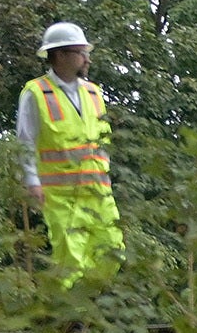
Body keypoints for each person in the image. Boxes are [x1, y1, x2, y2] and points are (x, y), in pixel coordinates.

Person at [15, 22, 122, 283]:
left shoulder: (94, 92)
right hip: (60, 195)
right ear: (60, 55)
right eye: (80, 52)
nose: (87, 59)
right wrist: (32, 182)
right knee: (71, 259)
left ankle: (92, 304)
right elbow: (25, 141)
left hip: (98, 190)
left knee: (112, 250)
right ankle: (72, 319)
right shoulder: (35, 92)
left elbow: (102, 140)